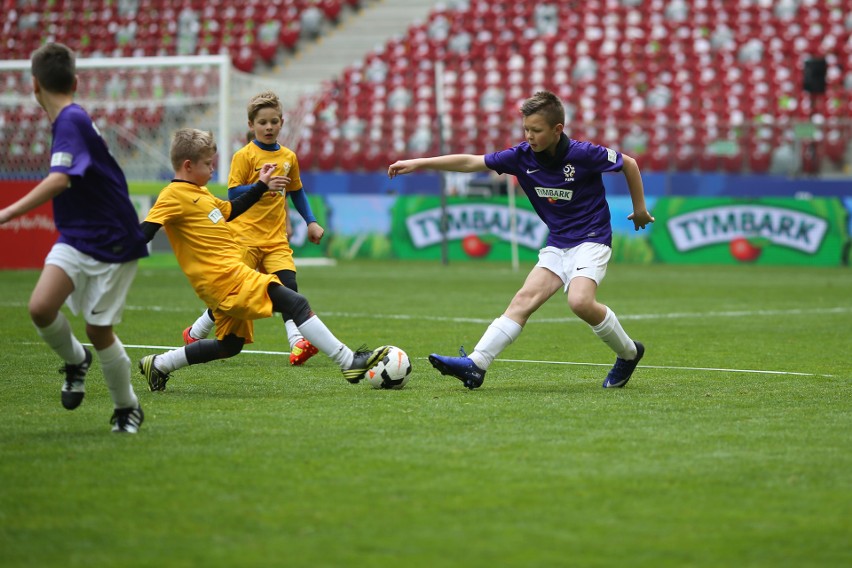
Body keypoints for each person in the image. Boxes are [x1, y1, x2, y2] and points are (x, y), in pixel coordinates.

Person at [387, 90, 654, 390]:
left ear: (557, 130)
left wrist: (640, 209)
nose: (529, 136)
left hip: (592, 239)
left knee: (579, 301)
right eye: (526, 129)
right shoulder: (520, 157)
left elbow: (628, 163)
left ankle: (629, 354)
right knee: (522, 301)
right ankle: (476, 364)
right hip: (557, 244)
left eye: (536, 130)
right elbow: (470, 162)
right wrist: (419, 163)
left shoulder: (583, 154)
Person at [138, 128, 388, 391]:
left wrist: (261, 185)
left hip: (230, 275)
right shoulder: (172, 195)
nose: (213, 169)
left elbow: (231, 209)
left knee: (230, 345)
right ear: (188, 165)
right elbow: (145, 231)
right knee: (296, 302)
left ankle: (159, 365)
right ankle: (349, 362)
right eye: (208, 164)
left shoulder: (202, 194)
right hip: (224, 279)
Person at [0, 43, 147, 432]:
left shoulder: (70, 121)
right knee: (40, 308)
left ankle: (126, 407)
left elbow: (60, 179)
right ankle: (75, 360)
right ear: (76, 81)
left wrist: (9, 212)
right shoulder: (71, 119)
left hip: (113, 241)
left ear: (34, 86)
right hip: (77, 236)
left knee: (99, 331)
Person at [182, 91, 324, 367]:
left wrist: (311, 221)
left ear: (282, 122)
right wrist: (263, 186)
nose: (268, 127)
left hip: (275, 240)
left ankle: (297, 343)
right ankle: (196, 331)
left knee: (289, 286)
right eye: (262, 122)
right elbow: (234, 193)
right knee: (234, 295)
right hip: (243, 238)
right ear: (251, 125)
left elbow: (297, 191)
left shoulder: (288, 157)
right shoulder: (244, 156)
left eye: (273, 121)